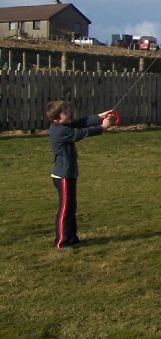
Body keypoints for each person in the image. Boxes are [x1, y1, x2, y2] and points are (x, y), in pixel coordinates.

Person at [46, 100, 115, 248]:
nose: (69, 114)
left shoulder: (63, 126)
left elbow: (81, 122)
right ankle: (62, 241)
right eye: (65, 113)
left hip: (69, 174)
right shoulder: (61, 131)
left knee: (71, 207)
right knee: (65, 209)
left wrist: (99, 116)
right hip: (63, 176)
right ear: (56, 119)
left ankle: (71, 238)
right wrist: (102, 127)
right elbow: (83, 132)